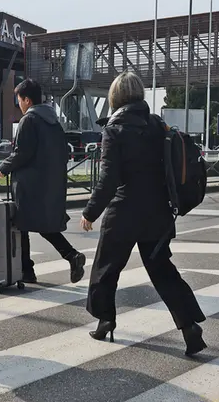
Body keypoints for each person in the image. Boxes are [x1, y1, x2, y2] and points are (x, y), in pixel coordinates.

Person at [80, 71, 207, 356]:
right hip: (158, 212)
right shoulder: (157, 125)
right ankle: (189, 326)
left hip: (124, 211)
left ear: (115, 97)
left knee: (105, 268)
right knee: (163, 271)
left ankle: (105, 320)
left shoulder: (114, 129)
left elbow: (109, 179)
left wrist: (90, 212)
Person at [0, 79, 86, 284]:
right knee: (43, 226)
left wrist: (3, 168)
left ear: (27, 100)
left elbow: (22, 153)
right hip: (50, 183)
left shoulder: (29, 120)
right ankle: (71, 256)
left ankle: (28, 270)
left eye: (19, 100)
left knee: (22, 225)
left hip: (29, 184)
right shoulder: (54, 122)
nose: (19, 104)